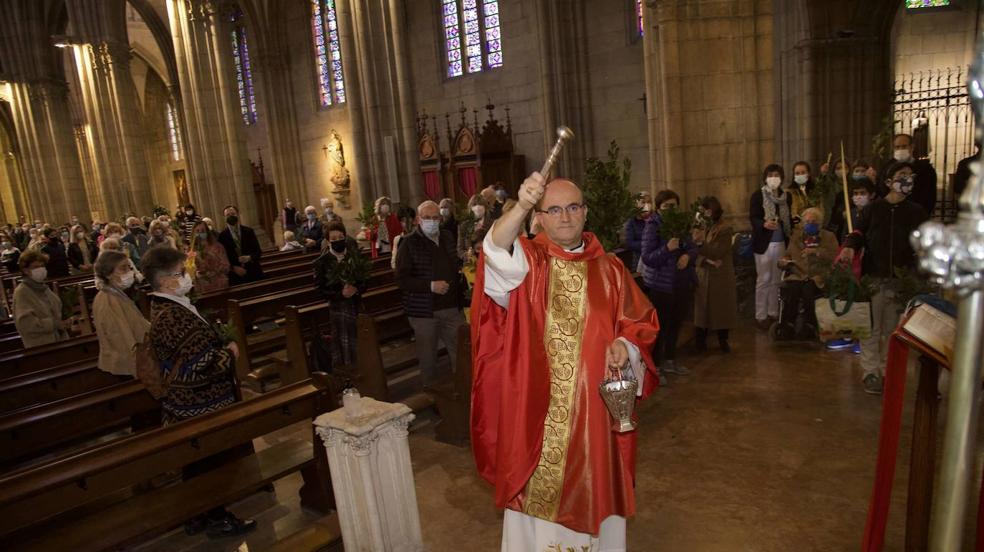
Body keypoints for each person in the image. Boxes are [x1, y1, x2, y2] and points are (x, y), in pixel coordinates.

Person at [472, 172, 660, 550]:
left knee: (598, 499)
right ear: (538, 218)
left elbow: (641, 322)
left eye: (573, 207)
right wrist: (522, 204)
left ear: (585, 212)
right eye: (553, 209)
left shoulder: (610, 268)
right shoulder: (527, 262)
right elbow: (493, 250)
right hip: (539, 420)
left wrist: (626, 345)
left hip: (595, 421)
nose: (565, 217)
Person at [140, 246, 256, 538]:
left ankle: (198, 514)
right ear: (166, 280)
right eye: (182, 272)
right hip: (199, 402)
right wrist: (229, 354)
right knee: (213, 462)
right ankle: (216, 516)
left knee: (199, 462)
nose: (187, 276)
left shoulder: (172, 305)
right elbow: (198, 365)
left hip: (198, 402)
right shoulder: (170, 316)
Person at [839, 161, 929, 395]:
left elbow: (923, 244)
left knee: (892, 329)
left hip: (900, 279)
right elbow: (857, 233)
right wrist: (849, 247)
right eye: (902, 175)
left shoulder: (916, 212)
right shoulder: (873, 209)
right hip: (874, 277)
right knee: (870, 328)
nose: (907, 179)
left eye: (910, 175)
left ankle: (889, 371)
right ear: (889, 182)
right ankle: (870, 372)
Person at [395, 200, 464, 388]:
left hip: (451, 307)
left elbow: (455, 262)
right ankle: (432, 396)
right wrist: (430, 285)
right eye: (427, 218)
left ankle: (464, 394)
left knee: (462, 354)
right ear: (418, 219)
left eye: (435, 218)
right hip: (424, 312)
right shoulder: (408, 243)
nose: (431, 221)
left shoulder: (448, 236)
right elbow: (402, 280)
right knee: (428, 359)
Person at [641, 189, 697, 377]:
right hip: (661, 285)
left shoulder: (681, 224)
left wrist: (688, 256)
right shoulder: (652, 225)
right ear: (659, 208)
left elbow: (693, 247)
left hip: (681, 282)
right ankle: (655, 366)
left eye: (674, 206)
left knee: (676, 323)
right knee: (661, 327)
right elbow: (647, 257)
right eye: (666, 207)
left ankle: (670, 361)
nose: (671, 210)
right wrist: (666, 248)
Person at [775, 207, 838, 341]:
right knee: (791, 291)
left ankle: (810, 326)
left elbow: (834, 256)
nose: (810, 224)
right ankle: (788, 325)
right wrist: (783, 261)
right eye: (807, 221)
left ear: (819, 223)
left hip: (817, 276)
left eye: (813, 221)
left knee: (808, 291)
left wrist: (816, 251)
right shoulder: (796, 237)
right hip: (798, 274)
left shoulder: (828, 237)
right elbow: (787, 255)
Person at [314, 222, 367, 367]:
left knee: (361, 342)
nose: (338, 240)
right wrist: (340, 294)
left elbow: (365, 281)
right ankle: (348, 374)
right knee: (344, 346)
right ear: (328, 241)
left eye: (340, 237)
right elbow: (320, 291)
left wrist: (356, 289)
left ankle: (365, 370)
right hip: (338, 309)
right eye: (334, 238)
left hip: (356, 306)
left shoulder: (354, 257)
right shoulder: (322, 262)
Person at [92, 251, 149, 377]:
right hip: (125, 365)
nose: (129, 272)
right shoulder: (107, 300)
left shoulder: (117, 294)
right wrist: (139, 367)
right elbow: (120, 338)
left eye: (129, 267)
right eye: (123, 268)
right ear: (108, 274)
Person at [691, 196, 738, 353]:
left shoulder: (724, 228)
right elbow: (691, 250)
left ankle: (723, 340)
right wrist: (706, 259)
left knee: (721, 309)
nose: (704, 214)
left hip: (720, 275)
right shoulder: (698, 227)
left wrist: (701, 246)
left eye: (707, 211)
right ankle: (699, 342)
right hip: (703, 273)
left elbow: (718, 251)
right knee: (701, 310)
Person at [749, 164, 792, 330]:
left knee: (777, 279)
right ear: (765, 177)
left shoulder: (785, 196)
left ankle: (774, 312)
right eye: (770, 174)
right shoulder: (758, 195)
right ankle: (760, 315)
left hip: (781, 241)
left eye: (777, 175)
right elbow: (753, 217)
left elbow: (787, 218)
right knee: (763, 279)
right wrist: (764, 223)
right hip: (764, 243)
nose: (773, 177)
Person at [13, 250, 69, 348]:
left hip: (59, 340)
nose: (41, 269)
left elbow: (56, 308)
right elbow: (26, 324)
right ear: (26, 270)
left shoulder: (44, 288)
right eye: (36, 267)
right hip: (41, 345)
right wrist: (54, 324)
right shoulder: (22, 292)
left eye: (42, 266)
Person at [881, 133, 937, 215]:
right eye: (897, 147)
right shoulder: (887, 167)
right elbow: (882, 188)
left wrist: (922, 213)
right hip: (891, 212)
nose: (900, 150)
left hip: (916, 212)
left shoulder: (925, 169)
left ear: (912, 147)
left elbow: (929, 195)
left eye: (904, 146)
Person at [218, 205, 263, 285]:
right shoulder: (222, 236)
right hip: (235, 276)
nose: (230, 216)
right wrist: (233, 268)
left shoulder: (249, 231)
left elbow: (258, 252)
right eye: (228, 215)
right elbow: (222, 258)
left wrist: (249, 257)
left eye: (233, 214)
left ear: (237, 214)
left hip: (254, 272)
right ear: (224, 218)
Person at [190, 221, 230, 294]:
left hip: (219, 285)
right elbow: (189, 269)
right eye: (197, 231)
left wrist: (214, 271)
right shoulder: (192, 250)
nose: (200, 233)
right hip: (202, 288)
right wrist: (195, 273)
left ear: (207, 232)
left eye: (202, 230)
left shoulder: (217, 247)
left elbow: (226, 266)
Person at [457, 194, 493, 262]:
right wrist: (467, 255)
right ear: (470, 208)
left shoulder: (493, 224)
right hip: (472, 265)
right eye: (474, 205)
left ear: (486, 207)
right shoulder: (463, 226)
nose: (477, 207)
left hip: (490, 262)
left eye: (480, 204)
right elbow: (460, 250)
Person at [623, 191, 652, 272]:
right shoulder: (632, 222)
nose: (646, 205)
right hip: (639, 259)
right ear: (636, 205)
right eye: (643, 202)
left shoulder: (655, 219)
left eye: (649, 202)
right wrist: (647, 244)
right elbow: (629, 243)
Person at [787, 161, 821, 225]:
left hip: (815, 224)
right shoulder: (789, 192)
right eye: (797, 173)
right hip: (797, 227)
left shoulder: (816, 191)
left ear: (808, 174)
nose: (800, 175)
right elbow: (792, 213)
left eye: (803, 172)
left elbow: (820, 210)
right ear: (794, 175)